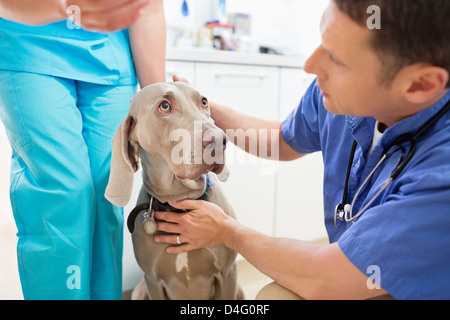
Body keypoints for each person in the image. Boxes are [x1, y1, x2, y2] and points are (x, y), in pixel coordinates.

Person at [154, 0, 450, 300]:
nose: (311, 65)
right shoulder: (338, 96)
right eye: (323, 41)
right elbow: (281, 141)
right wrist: (201, 108)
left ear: (419, 84)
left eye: (338, 58)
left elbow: (328, 279)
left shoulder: (441, 174)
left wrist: (229, 233)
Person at [0, 0, 166, 299]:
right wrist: (68, 6)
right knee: (66, 190)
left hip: (110, 56)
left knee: (109, 193)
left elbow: (148, 5)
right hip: (28, 44)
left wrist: (161, 104)